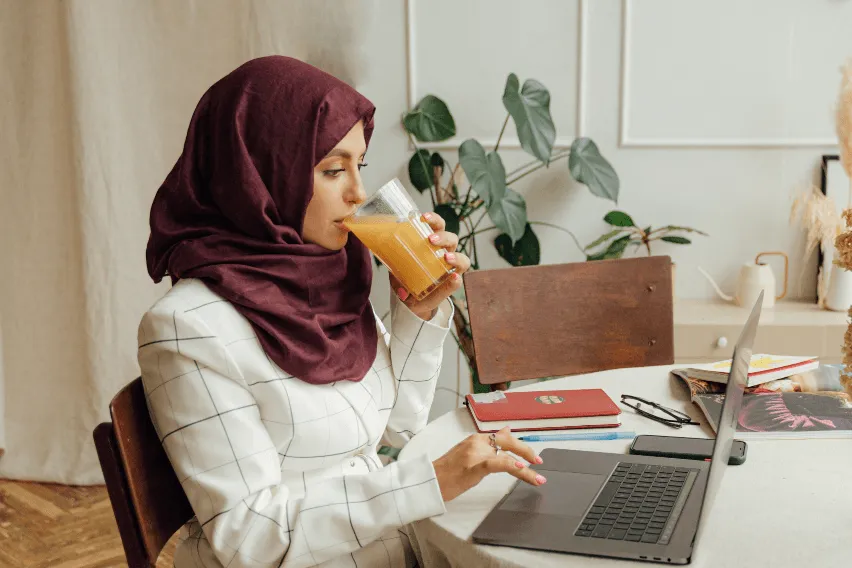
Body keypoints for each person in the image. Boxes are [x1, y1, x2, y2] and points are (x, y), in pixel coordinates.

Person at [137, 56, 545, 568]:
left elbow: (397, 428)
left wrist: (417, 315)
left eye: (360, 166)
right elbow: (251, 538)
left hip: (389, 548)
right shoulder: (189, 329)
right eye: (333, 170)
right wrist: (424, 484)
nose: (358, 194)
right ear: (260, 174)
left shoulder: (327, 279)